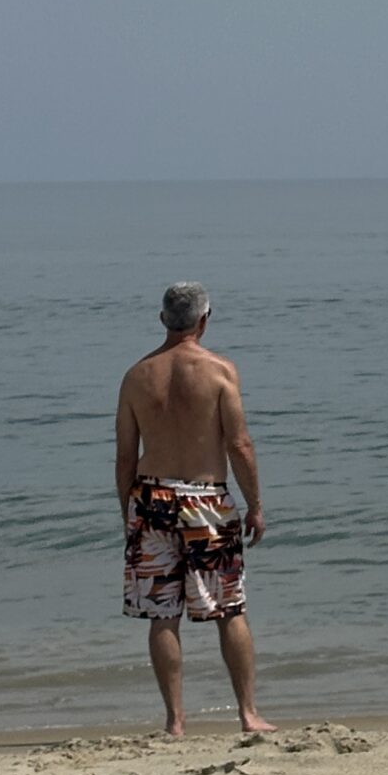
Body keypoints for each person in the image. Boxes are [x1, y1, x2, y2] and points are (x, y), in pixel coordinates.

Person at [114, 282, 273, 737]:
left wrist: (128, 511)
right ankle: (248, 714)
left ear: (163, 319)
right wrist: (255, 505)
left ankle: (175, 721)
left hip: (150, 499)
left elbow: (125, 456)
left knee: (163, 613)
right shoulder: (220, 371)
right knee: (229, 610)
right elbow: (239, 444)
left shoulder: (136, 376)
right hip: (205, 501)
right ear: (205, 320)